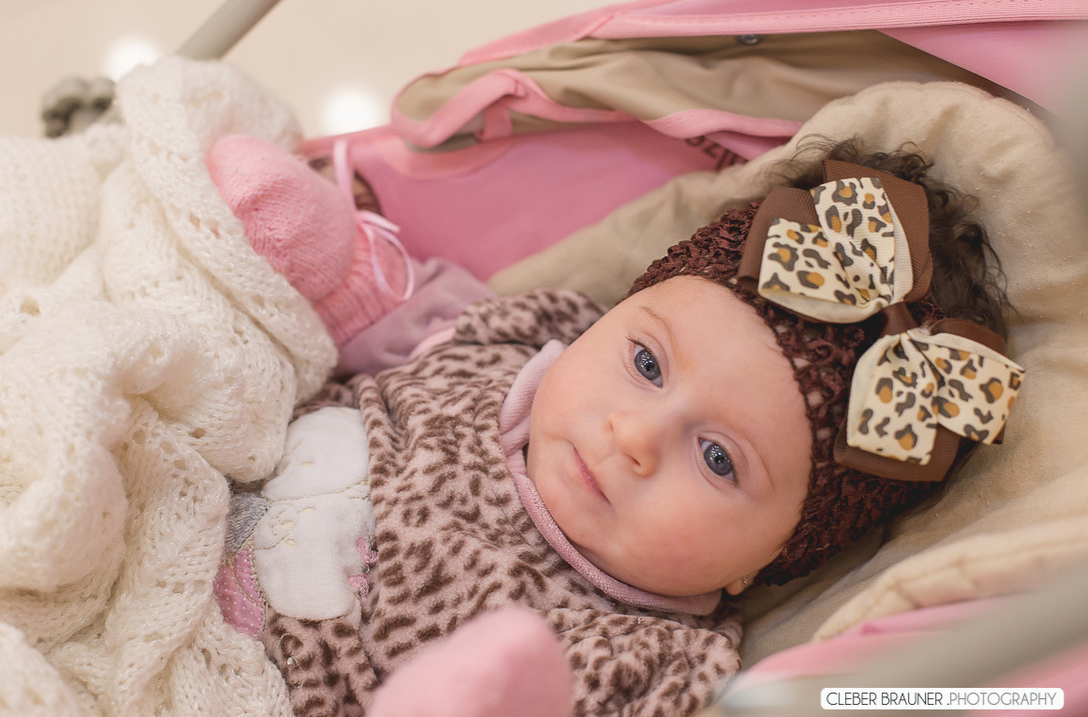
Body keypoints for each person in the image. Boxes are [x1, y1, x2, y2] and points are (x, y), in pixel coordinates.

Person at [205, 134, 1024, 716]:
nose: (634, 436)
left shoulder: (643, 656)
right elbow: (386, 307)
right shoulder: (510, 340)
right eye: (646, 362)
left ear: (775, 558)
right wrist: (320, 256)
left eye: (717, 457)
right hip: (186, 507)